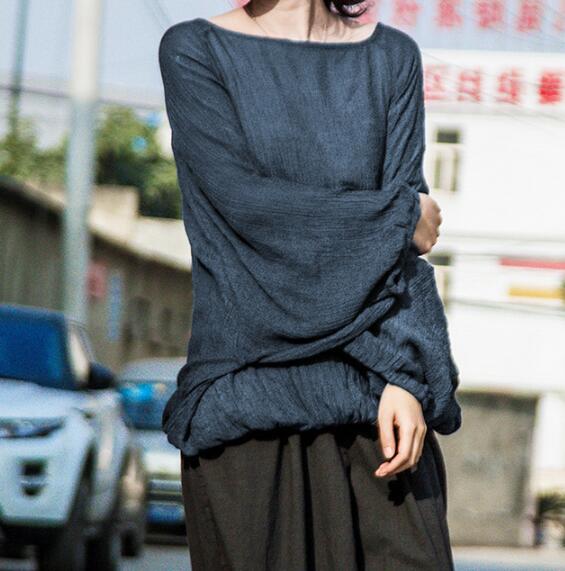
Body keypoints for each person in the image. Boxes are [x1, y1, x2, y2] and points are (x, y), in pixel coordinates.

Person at [158, 1, 463, 569]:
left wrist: (405, 376)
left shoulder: (391, 57)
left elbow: (399, 258)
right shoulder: (194, 50)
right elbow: (246, 210)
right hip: (248, 402)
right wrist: (398, 215)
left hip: (378, 406)